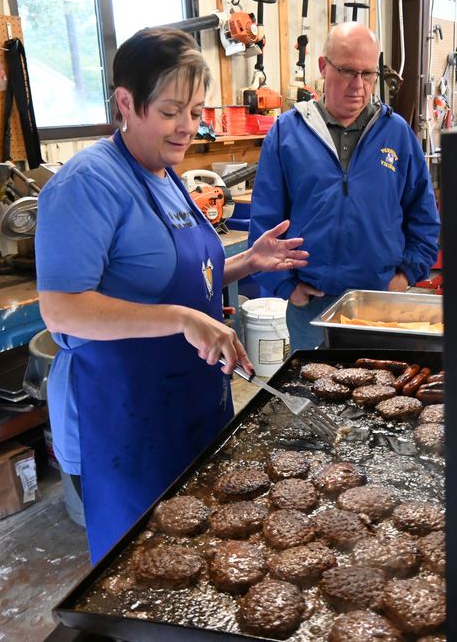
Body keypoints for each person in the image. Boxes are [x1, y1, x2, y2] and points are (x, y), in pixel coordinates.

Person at [35, 28, 308, 563]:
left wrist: (247, 263)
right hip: (127, 419)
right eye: (170, 111)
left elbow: (185, 281)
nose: (187, 126)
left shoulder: (166, 173)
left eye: (196, 111)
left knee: (204, 552)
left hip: (193, 403)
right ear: (125, 103)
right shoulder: (87, 184)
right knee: (142, 565)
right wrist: (183, 319)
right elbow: (62, 309)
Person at [248, 22, 440, 350]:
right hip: (311, 306)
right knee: (310, 383)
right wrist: (286, 287)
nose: (359, 86)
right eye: (348, 71)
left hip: (382, 303)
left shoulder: (397, 135)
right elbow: (265, 222)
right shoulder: (286, 134)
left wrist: (406, 275)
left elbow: (424, 218)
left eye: (368, 74)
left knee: (384, 380)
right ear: (324, 67)